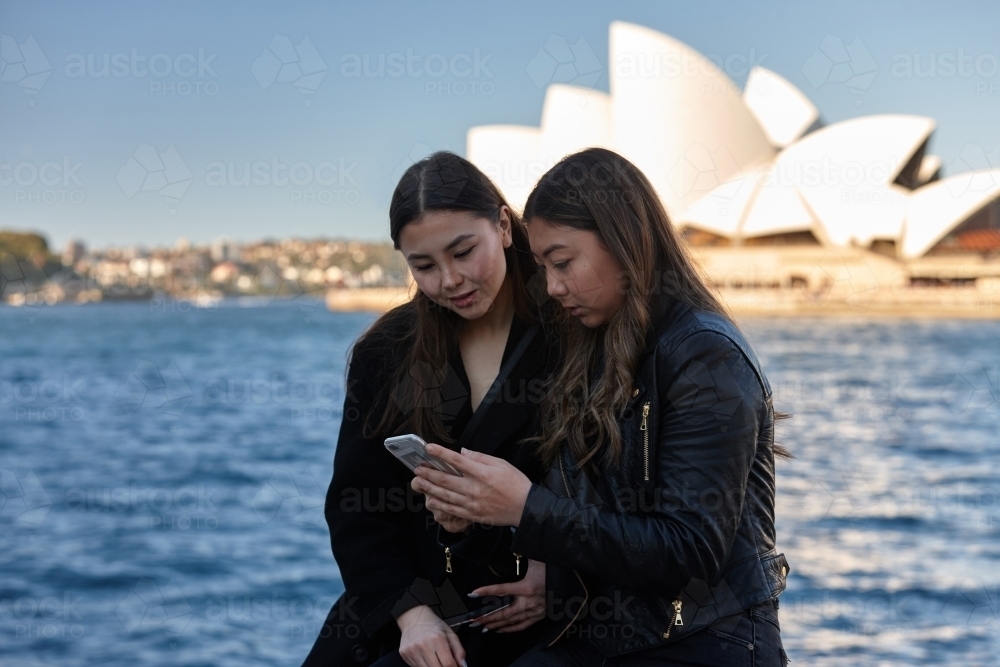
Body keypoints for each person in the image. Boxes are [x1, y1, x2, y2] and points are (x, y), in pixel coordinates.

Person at [412, 148, 792, 666]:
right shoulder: (594, 347)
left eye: (563, 263)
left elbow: (690, 555)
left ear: (625, 238)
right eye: (544, 267)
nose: (553, 287)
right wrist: (472, 519)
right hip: (609, 634)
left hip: (707, 641)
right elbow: (601, 517)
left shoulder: (704, 356)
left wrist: (526, 508)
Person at [302, 152, 556, 667]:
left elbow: (617, 485)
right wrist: (409, 613)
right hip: (410, 613)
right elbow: (358, 507)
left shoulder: (570, 329)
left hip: (541, 619)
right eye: (424, 266)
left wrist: (561, 573)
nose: (450, 280)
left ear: (504, 226)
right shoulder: (387, 350)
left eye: (464, 252)